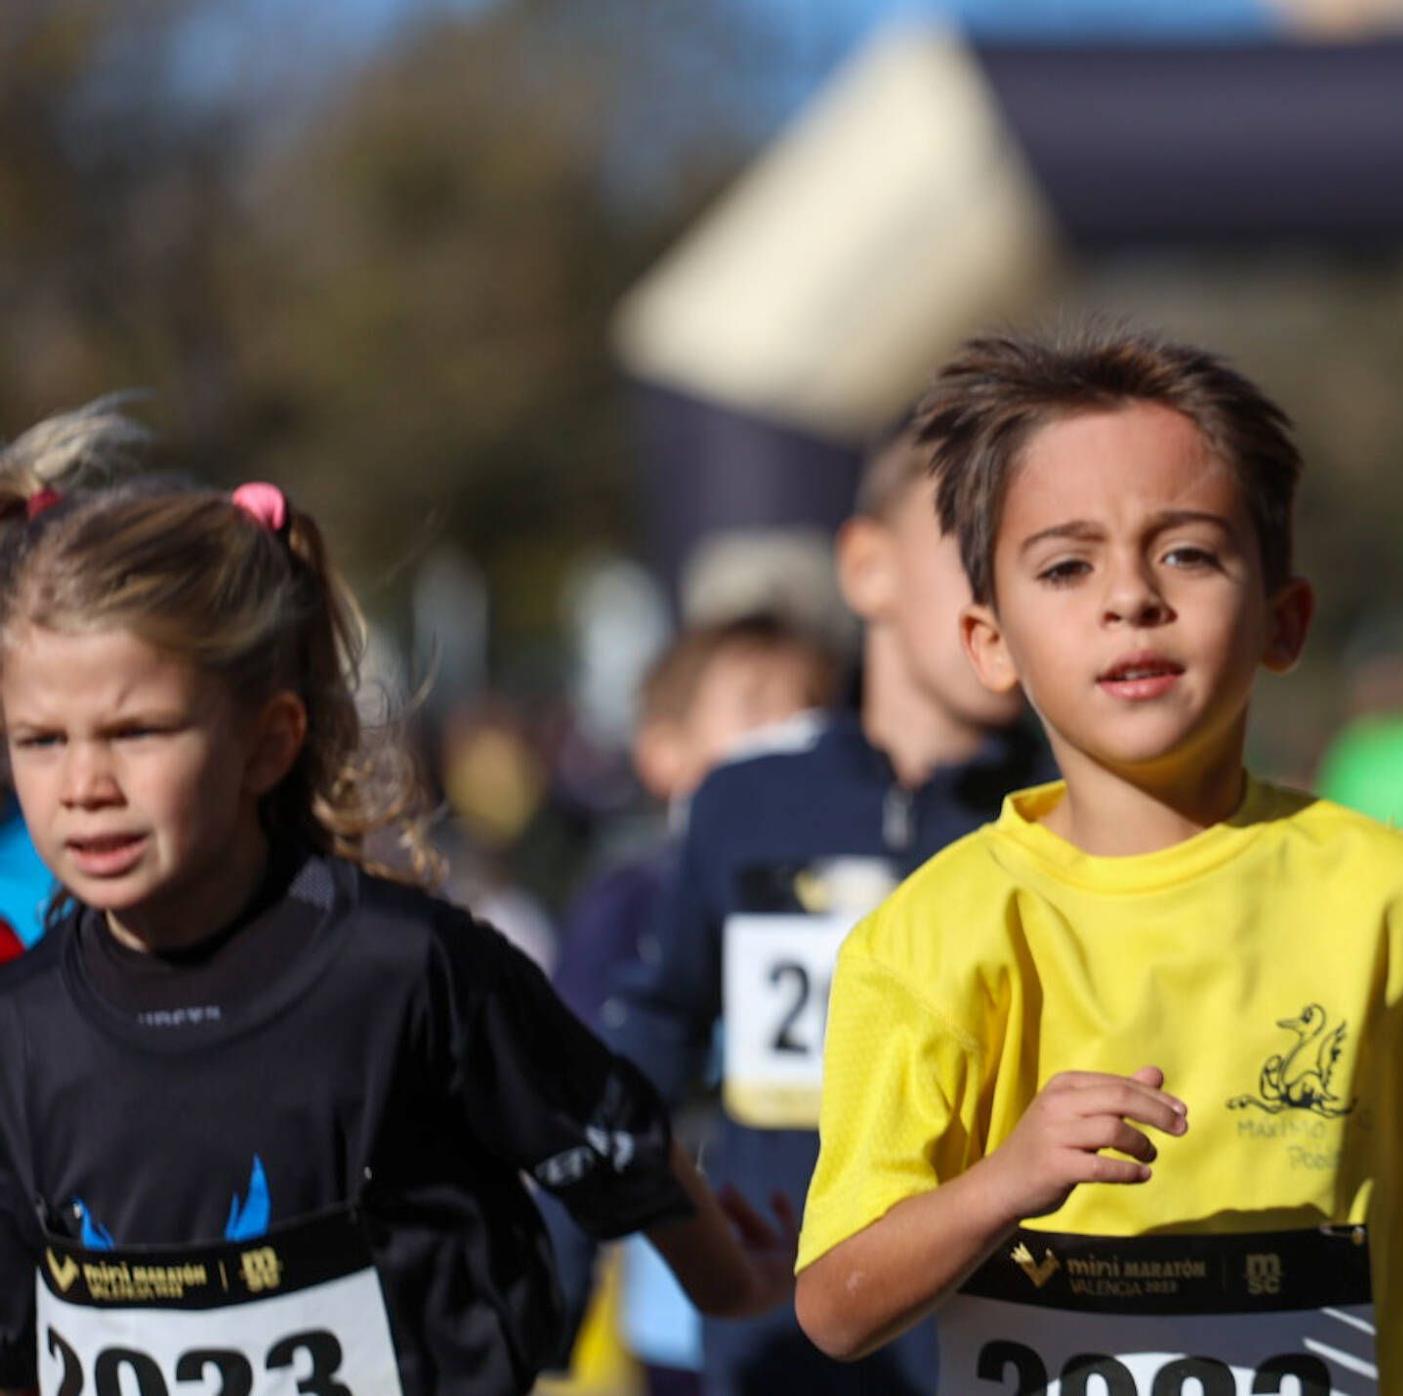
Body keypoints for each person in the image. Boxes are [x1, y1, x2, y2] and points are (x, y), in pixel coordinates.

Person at [794, 327, 1403, 1395]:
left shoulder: (1400, 897)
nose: (1130, 596)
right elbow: (833, 1308)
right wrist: (1004, 1181)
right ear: (990, 640)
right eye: (1066, 565)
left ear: (1282, 617)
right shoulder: (927, 937)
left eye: (1185, 551)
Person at [0, 402, 793, 1396]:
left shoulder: (402, 966)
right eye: (40, 739)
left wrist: (724, 1280)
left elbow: (607, 1133)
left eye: (139, 731)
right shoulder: (19, 1027)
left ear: (269, 740)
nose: (83, 784)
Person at [602, 425, 1048, 1393]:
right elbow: (653, 1032)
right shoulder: (744, 800)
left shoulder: (1076, 813)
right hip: (777, 1347)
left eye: (1048, 558)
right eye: (975, 549)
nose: (1012, 594)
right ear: (868, 566)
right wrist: (599, 1251)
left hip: (1007, 1342)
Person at [545, 614, 836, 1394]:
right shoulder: (631, 901)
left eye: (813, 707)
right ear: (663, 753)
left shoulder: (852, 890)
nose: (793, 734)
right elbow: (577, 1093)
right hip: (682, 1306)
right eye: (753, 709)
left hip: (849, 1285)